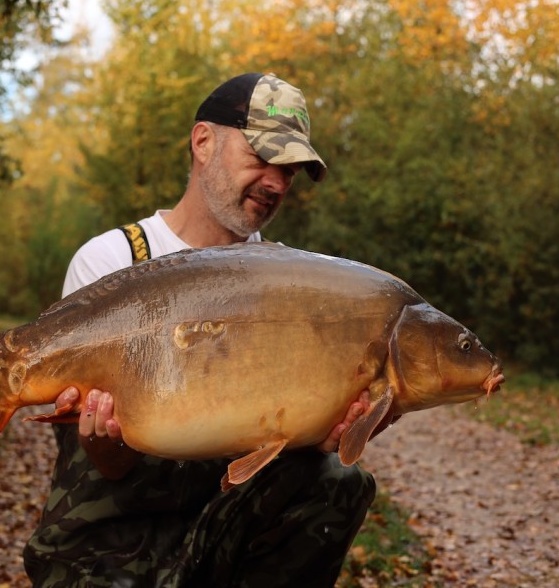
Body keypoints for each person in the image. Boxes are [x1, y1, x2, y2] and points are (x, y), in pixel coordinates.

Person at [23, 73, 383, 587]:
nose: (277, 183)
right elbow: (99, 462)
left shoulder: (291, 284)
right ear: (203, 141)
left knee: (337, 481)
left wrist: (326, 431)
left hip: (224, 535)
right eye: (262, 157)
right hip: (107, 545)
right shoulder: (113, 260)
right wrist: (107, 439)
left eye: (290, 170)